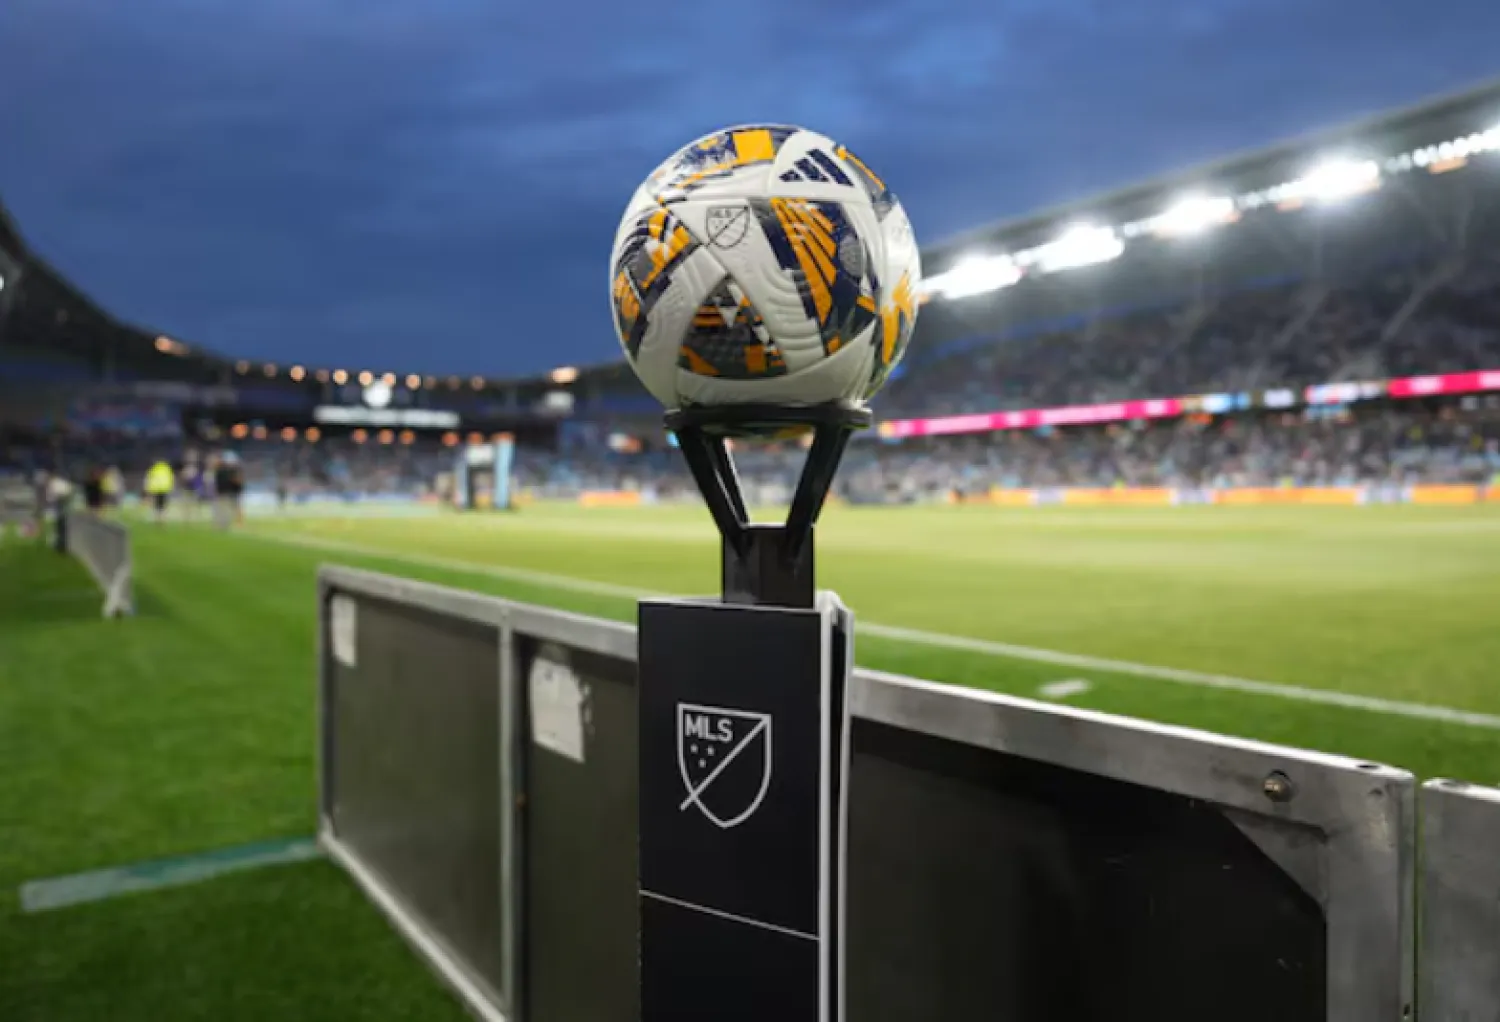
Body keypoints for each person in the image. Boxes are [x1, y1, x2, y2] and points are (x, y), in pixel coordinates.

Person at [213, 451, 245, 528]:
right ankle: (222, 524)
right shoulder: (222, 471)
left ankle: (233, 523)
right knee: (224, 510)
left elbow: (238, 482)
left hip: (231, 493)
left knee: (232, 509)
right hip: (226, 493)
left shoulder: (230, 471)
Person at [144, 458, 175, 523]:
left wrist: (149, 488)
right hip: (165, 488)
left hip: (156, 488)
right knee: (163, 504)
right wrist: (171, 487)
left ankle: (157, 518)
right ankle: (163, 518)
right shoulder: (166, 467)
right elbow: (171, 477)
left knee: (157, 504)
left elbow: (150, 478)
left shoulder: (154, 468)